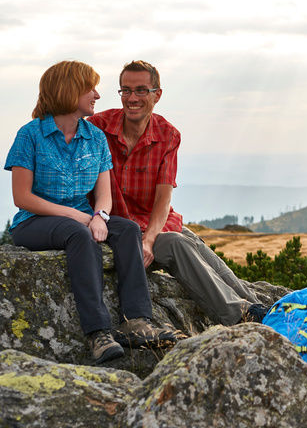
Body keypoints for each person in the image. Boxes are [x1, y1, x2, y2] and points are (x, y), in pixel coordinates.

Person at [5, 60, 168, 365]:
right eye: (90, 88)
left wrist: (100, 216)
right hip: (35, 222)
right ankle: (98, 333)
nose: (97, 95)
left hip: (84, 218)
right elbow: (22, 198)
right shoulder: (30, 135)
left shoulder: (95, 137)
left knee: (128, 229)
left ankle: (136, 321)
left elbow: (104, 195)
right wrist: (80, 217)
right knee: (78, 234)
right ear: (69, 91)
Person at [89, 60, 264, 326]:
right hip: (120, 227)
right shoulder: (98, 127)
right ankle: (239, 314)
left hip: (152, 222)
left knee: (191, 239)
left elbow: (163, 198)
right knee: (175, 243)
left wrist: (149, 240)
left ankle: (259, 306)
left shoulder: (168, 135)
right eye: (126, 90)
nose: (132, 98)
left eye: (141, 90)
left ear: (157, 95)